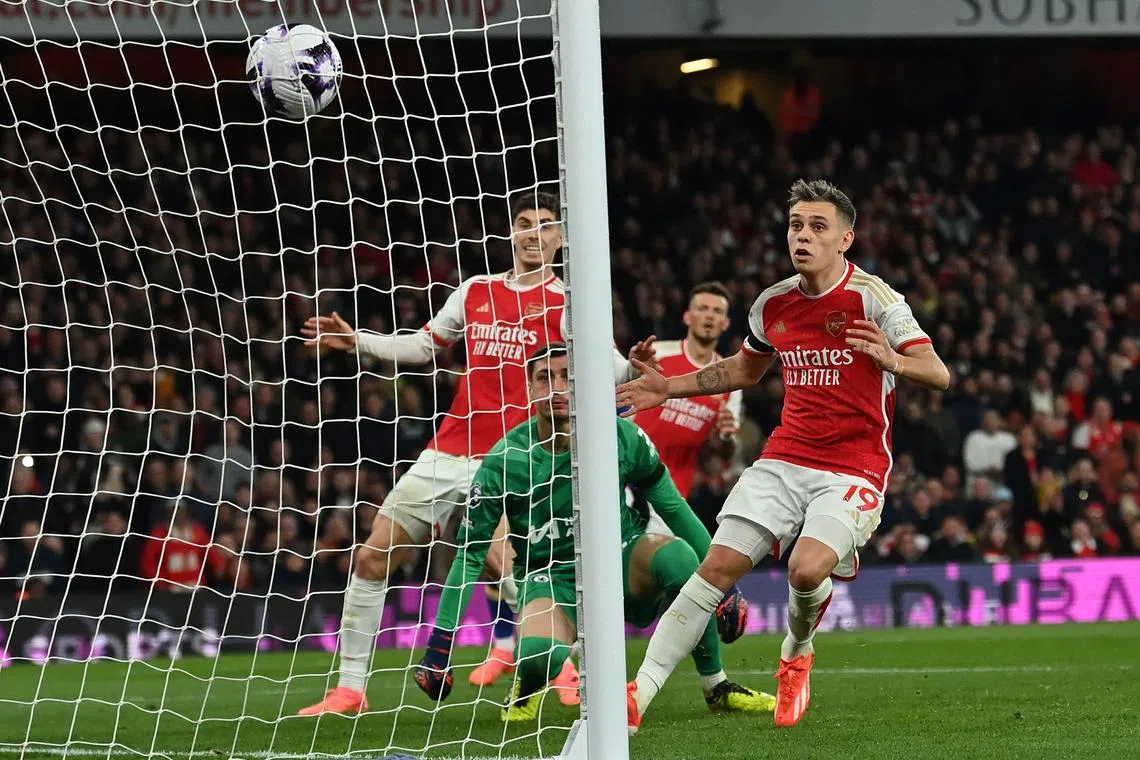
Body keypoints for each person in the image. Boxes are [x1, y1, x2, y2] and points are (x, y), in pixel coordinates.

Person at [297, 192, 654, 715]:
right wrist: (359, 342)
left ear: (560, 239)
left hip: (515, 458)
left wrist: (637, 366)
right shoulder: (475, 290)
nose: (534, 234)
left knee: (516, 572)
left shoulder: (570, 302)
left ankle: (573, 669)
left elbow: (611, 368)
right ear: (512, 232)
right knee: (372, 557)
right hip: (448, 450)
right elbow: (425, 346)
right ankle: (350, 689)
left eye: (546, 226)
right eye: (525, 224)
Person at [616, 179, 950, 729]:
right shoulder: (773, 304)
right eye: (797, 224)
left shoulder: (875, 298)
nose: (803, 235)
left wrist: (893, 360)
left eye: (818, 227)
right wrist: (668, 388)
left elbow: (937, 373)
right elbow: (746, 371)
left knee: (805, 569)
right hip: (785, 457)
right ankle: (638, 695)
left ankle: (796, 655)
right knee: (715, 569)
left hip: (854, 465)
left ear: (846, 239)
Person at [412, 344, 773, 729]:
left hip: (619, 556)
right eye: (544, 378)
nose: (557, 387)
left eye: (567, 376)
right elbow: (470, 555)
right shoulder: (505, 459)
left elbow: (673, 509)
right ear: (530, 390)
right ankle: (528, 684)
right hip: (550, 574)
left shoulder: (619, 436)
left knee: (681, 558)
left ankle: (716, 685)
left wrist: (726, 587)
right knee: (539, 656)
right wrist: (440, 644)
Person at [633, 281, 742, 501]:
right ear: (687, 316)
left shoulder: (730, 379)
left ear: (726, 323)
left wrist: (727, 437)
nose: (709, 316)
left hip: (674, 490)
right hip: (630, 474)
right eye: (702, 309)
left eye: (717, 311)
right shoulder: (657, 355)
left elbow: (727, 450)